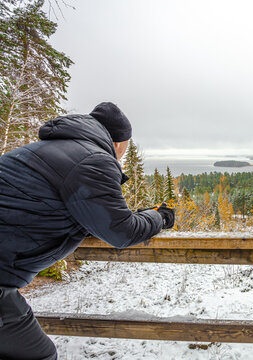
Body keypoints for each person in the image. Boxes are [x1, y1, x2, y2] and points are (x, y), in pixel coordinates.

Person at [0, 102, 175, 359]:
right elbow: (121, 232)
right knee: (40, 355)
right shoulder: (92, 160)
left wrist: (131, 216)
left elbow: (76, 210)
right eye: (126, 145)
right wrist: (159, 217)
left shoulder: (48, 150)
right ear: (119, 142)